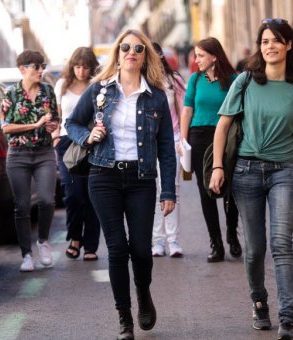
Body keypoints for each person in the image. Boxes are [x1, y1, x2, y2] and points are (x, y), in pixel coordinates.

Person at [209, 18, 293, 340]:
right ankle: (259, 302)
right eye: (264, 41)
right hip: (246, 172)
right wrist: (218, 167)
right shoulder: (245, 81)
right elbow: (223, 126)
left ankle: (287, 318)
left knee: (281, 244)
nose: (269, 46)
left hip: (284, 172)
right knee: (256, 248)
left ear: (288, 45)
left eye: (276, 40)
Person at [66, 29, 176, 340]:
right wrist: (88, 137)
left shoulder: (155, 96)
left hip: (141, 179)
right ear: (117, 53)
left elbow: (166, 147)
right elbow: (71, 123)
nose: (131, 52)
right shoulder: (99, 90)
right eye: (125, 47)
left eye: (138, 49)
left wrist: (168, 190)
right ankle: (124, 317)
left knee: (141, 249)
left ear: (145, 56)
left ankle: (143, 292)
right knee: (116, 248)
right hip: (103, 177)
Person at [180, 37, 241, 263]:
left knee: (230, 189)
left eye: (200, 55)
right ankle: (215, 243)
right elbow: (187, 110)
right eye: (196, 56)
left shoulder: (233, 80)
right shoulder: (195, 80)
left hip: (226, 138)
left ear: (214, 56)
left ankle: (232, 234)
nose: (196, 60)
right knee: (206, 192)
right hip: (199, 137)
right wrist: (183, 141)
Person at [2, 49, 60, 272]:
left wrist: (52, 126)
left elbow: (55, 121)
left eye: (42, 66)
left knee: (47, 200)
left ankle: (43, 241)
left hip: (44, 152)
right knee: (22, 205)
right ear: (23, 69)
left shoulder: (48, 92)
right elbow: (6, 127)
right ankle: (26, 255)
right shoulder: (11, 94)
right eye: (36, 67)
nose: (41, 71)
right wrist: (34, 125)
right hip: (18, 155)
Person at [52, 47, 101, 261]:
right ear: (72, 67)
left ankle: (90, 244)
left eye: (85, 67)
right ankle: (74, 238)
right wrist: (55, 136)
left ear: (92, 68)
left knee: (92, 195)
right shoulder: (62, 85)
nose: (81, 71)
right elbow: (56, 114)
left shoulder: (97, 85)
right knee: (72, 194)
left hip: (92, 142)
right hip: (66, 142)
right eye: (78, 66)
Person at [150, 42, 186, 258]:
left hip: (172, 141)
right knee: (152, 194)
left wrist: (183, 139)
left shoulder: (173, 80)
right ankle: (157, 241)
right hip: (146, 145)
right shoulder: (140, 82)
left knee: (172, 190)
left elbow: (184, 112)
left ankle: (173, 240)